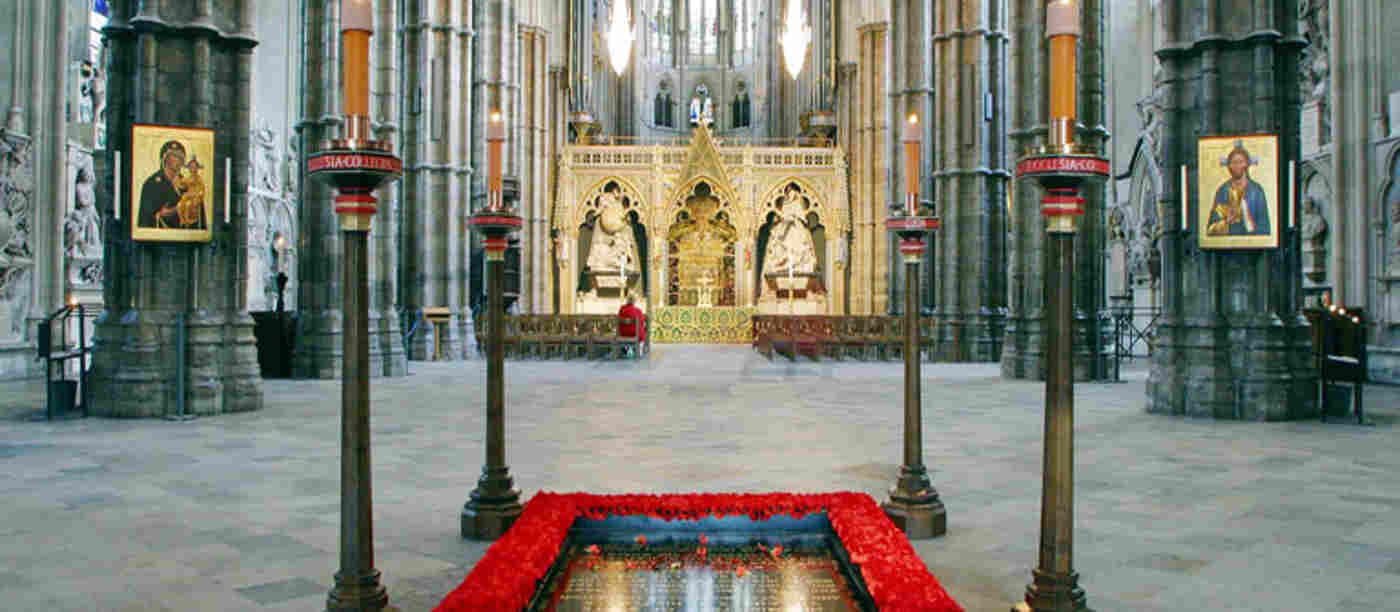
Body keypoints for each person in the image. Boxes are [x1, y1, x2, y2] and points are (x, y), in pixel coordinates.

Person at [1207, 144, 1270, 236]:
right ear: (1229, 165)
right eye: (1233, 162)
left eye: (1240, 161)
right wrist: (1225, 222)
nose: (1237, 165)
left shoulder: (1256, 191)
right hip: (1227, 245)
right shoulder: (1223, 191)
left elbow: (1264, 227)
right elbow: (1211, 229)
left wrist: (1246, 215)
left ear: (1247, 164)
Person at [137, 140, 189, 229]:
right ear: (164, 158)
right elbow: (145, 219)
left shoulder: (187, 184)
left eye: (181, 157)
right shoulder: (152, 184)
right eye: (174, 156)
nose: (178, 160)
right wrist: (160, 215)